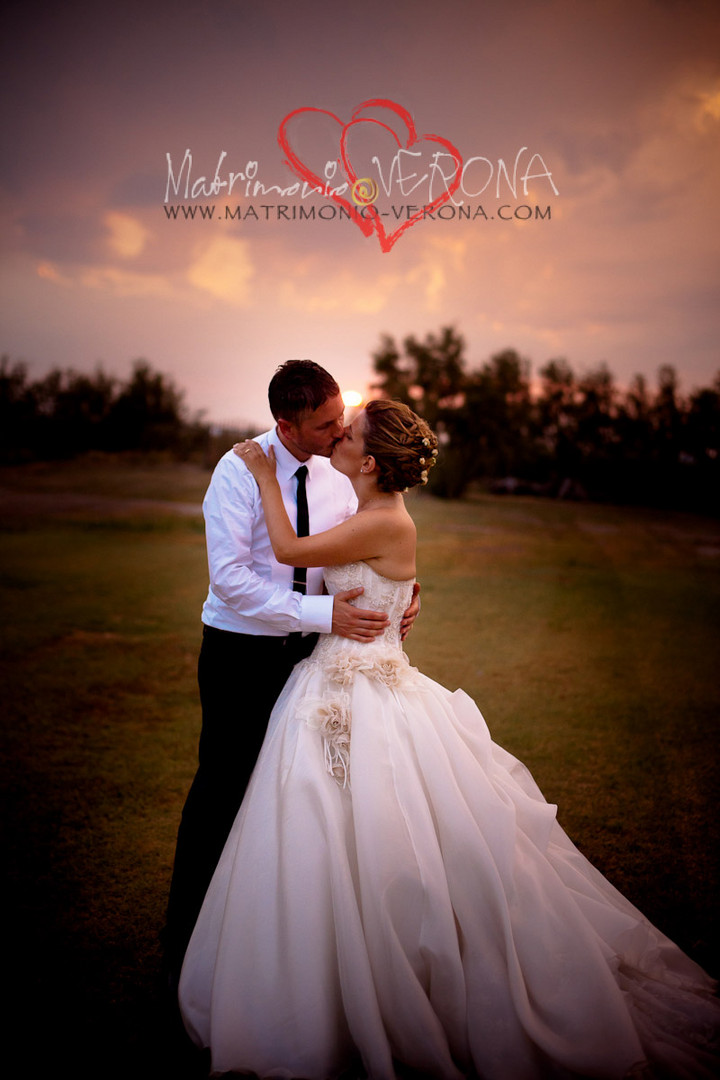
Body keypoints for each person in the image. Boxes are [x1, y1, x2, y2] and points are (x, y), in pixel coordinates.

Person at [179, 400, 720, 1079]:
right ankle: (338, 974)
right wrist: (404, 590)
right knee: (326, 830)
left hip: (357, 687)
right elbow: (370, 568)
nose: (338, 438)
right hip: (338, 680)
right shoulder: (370, 513)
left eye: (347, 434)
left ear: (371, 461)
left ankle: (368, 980)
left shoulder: (379, 519)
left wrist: (261, 473)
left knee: (361, 831)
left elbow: (291, 552)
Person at [163, 363, 421, 988]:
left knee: (303, 796)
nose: (339, 431)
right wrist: (322, 611)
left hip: (320, 656)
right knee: (224, 787)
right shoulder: (238, 471)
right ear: (287, 423)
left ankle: (292, 942)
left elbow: (375, 538)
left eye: (342, 419)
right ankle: (186, 944)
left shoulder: (343, 468)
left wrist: (404, 592)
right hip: (242, 653)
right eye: (326, 423)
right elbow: (230, 579)